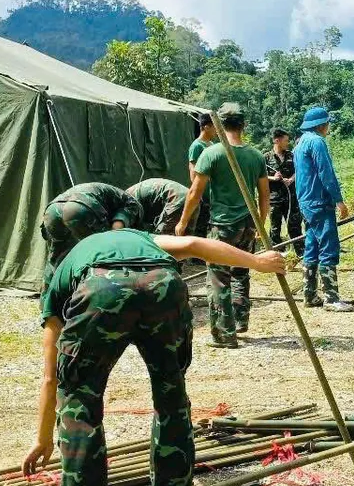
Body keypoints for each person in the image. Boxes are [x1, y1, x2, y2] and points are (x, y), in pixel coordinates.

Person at [23, 227, 286, 486]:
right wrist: (257, 262)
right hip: (164, 285)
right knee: (171, 392)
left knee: (79, 395)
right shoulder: (143, 239)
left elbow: (52, 378)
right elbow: (194, 243)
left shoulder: (63, 270)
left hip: (99, 289)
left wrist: (42, 439)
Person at [176, 103, 269, 349]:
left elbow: (195, 192)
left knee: (218, 277)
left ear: (219, 126)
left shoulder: (212, 154)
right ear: (243, 125)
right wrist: (260, 224)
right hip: (248, 224)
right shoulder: (256, 155)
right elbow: (264, 195)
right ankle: (240, 320)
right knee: (241, 271)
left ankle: (224, 334)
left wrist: (183, 222)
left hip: (223, 225)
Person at [294, 106, 354, 311]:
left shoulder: (300, 143)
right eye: (327, 123)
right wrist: (339, 200)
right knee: (329, 247)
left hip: (305, 202)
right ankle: (332, 298)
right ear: (321, 125)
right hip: (319, 202)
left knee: (312, 246)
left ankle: (310, 295)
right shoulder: (317, 142)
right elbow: (326, 173)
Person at [40, 182, 142, 289]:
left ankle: (48, 296)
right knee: (102, 256)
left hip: (53, 209)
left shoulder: (114, 194)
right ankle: (100, 293)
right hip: (80, 207)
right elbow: (116, 228)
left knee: (56, 259)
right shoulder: (134, 204)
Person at [265, 128, 303, 258]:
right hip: (274, 199)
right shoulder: (266, 158)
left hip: (291, 197)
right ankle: (278, 254)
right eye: (286, 140)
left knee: (295, 225)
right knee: (275, 228)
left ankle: (300, 252)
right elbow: (260, 176)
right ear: (277, 140)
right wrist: (273, 178)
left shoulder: (292, 155)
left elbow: (299, 170)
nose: (288, 143)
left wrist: (291, 179)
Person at [127, 178, 204, 236]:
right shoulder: (128, 197)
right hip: (191, 199)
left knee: (161, 242)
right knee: (186, 240)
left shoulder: (125, 204)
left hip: (175, 199)